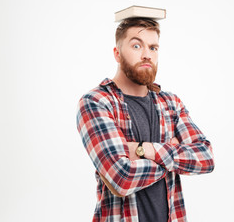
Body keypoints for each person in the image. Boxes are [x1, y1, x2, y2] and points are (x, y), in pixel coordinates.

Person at [76, 17, 214, 222]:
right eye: (136, 45)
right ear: (117, 53)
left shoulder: (171, 103)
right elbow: (121, 178)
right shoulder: (96, 102)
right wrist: (172, 154)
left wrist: (144, 150)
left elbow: (205, 157)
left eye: (153, 47)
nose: (146, 54)